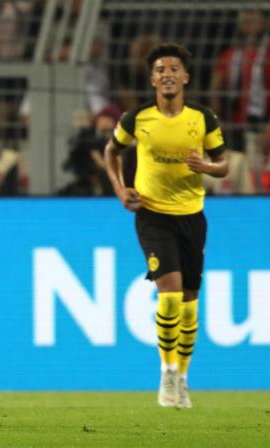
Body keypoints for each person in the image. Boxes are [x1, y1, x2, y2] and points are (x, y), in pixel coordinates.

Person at [104, 43, 228, 410]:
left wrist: (205, 167)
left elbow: (223, 164)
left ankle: (183, 377)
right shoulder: (137, 118)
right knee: (170, 295)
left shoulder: (203, 118)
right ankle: (166, 371)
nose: (167, 74)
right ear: (152, 79)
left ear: (185, 77)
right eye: (160, 69)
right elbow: (112, 150)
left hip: (192, 216)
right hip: (153, 215)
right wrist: (120, 188)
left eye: (174, 69)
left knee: (189, 306)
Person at [209, 9, 270, 188]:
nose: (248, 25)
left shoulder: (267, 54)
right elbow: (215, 90)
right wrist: (217, 118)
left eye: (253, 20)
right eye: (244, 21)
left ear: (265, 23)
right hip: (235, 128)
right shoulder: (230, 55)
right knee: (236, 177)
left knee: (258, 177)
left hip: (262, 125)